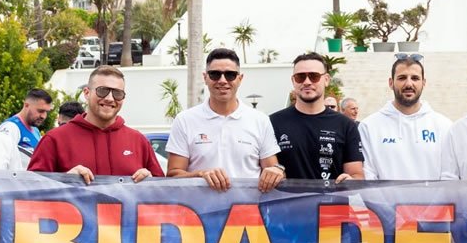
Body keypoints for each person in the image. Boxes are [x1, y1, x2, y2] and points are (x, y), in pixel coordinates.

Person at [166, 48, 285, 193]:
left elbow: (273, 172)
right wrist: (200, 175)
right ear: (205, 78)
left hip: (248, 213)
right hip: (199, 213)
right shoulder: (185, 120)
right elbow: (172, 176)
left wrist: (277, 171)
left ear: (240, 79)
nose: (222, 80)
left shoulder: (260, 120)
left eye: (230, 75)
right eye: (215, 74)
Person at [29, 66, 163, 182]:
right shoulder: (54, 140)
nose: (110, 98)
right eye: (102, 91)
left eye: (117, 93)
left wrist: (150, 183)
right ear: (87, 93)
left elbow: (163, 195)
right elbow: (29, 193)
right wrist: (65, 181)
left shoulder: (138, 141)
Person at [270, 54, 363, 182]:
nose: (307, 82)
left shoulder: (346, 125)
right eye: (300, 77)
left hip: (332, 201)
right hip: (287, 201)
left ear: (326, 79)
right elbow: (266, 170)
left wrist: (350, 181)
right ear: (293, 80)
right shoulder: (273, 122)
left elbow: (357, 175)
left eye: (314, 76)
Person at [359, 54, 451, 180]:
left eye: (415, 78)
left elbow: (449, 175)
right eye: (402, 78)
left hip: (433, 200)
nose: (409, 84)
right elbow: (368, 175)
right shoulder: (369, 126)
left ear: (423, 83)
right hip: (383, 201)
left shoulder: (444, 126)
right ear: (391, 83)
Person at [0, 88, 52, 157]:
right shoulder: (11, 127)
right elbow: (1, 159)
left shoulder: (35, 130)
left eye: (46, 112)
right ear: (26, 105)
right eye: (40, 111)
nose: (43, 116)